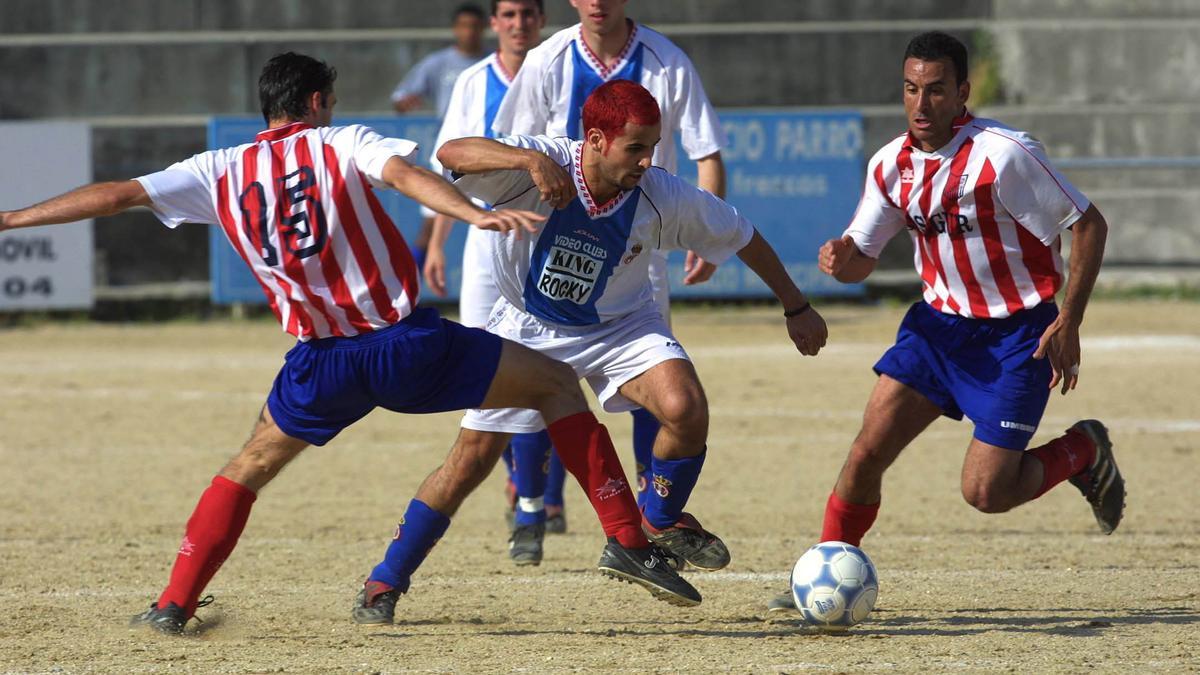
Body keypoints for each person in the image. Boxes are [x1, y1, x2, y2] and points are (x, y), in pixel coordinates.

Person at [0, 52, 700, 634]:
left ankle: (173, 603)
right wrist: (469, 213)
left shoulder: (220, 169)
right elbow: (406, 173)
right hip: (403, 344)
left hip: (318, 365)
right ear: (317, 100)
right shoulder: (340, 140)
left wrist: (14, 217)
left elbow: (118, 194)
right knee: (552, 384)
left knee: (249, 464)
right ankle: (629, 540)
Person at [373, 80, 827, 592]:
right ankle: (387, 578)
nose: (645, 161)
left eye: (652, 147)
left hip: (621, 327)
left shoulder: (661, 194)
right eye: (635, 148)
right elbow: (451, 151)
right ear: (594, 140)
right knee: (469, 462)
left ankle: (655, 520)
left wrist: (797, 306)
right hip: (528, 328)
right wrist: (528, 161)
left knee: (685, 408)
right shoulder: (542, 163)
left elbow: (743, 235)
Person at [765, 31, 1125, 612]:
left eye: (936, 90)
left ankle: (1083, 450)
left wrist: (1070, 320)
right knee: (866, 453)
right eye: (911, 89)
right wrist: (840, 259)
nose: (921, 104)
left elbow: (1088, 225)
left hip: (1016, 336)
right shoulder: (890, 164)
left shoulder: (1003, 154)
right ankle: (827, 565)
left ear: (962, 93)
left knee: (986, 492)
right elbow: (861, 259)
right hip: (937, 330)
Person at [488, 0, 728, 544]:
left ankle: (653, 510)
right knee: (532, 378)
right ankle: (532, 508)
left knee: (658, 375)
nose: (599, 2)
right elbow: (508, 150)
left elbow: (707, 153)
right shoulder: (548, 59)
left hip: (637, 245)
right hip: (554, 245)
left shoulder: (667, 62)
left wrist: (707, 234)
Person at [421, 0, 551, 566]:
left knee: (545, 368)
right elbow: (451, 164)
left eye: (527, 13)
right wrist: (436, 242)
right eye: (508, 14)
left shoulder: (558, 70)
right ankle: (527, 485)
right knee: (485, 374)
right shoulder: (475, 81)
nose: (518, 22)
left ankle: (531, 504)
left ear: (541, 20)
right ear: (495, 23)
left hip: (550, 239)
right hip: (487, 236)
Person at [391, 3, 487, 270]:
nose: (470, 32)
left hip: (488, 153)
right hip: (451, 153)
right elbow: (400, 96)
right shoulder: (440, 63)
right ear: (456, 29)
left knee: (492, 225)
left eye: (475, 26)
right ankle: (404, 294)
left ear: (485, 28)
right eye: (465, 26)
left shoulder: (492, 64)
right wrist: (404, 102)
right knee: (431, 226)